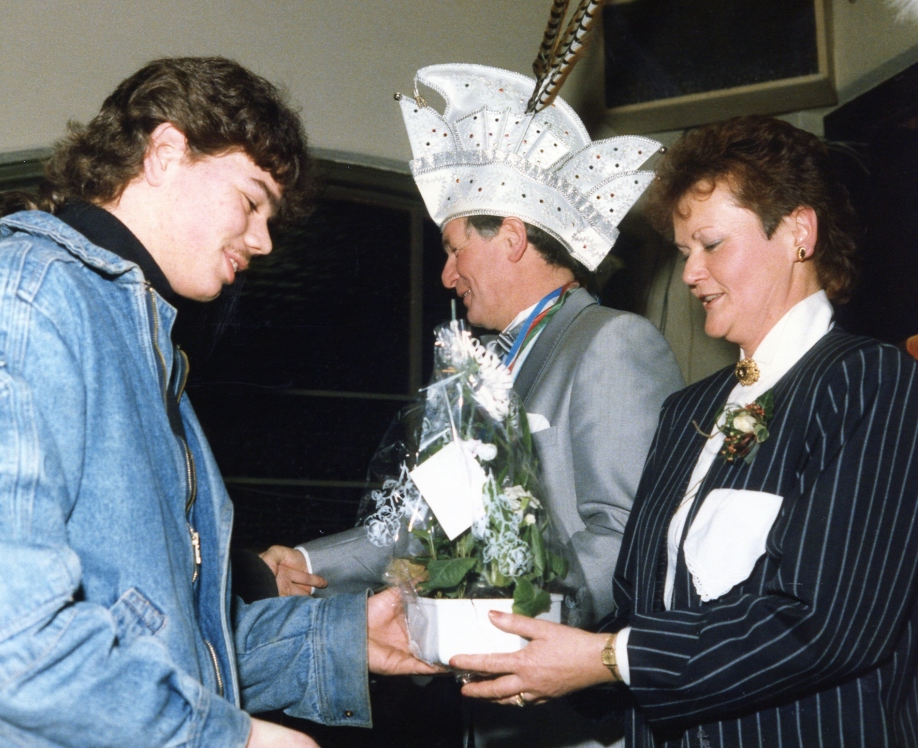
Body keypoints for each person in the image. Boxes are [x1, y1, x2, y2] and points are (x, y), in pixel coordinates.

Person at [0, 57, 436, 748]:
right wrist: (224, 740)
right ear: (166, 152)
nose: (264, 241)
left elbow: (169, 640)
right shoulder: (15, 310)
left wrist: (338, 639)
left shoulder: (145, 358)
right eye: (252, 201)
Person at [451, 115, 918, 747]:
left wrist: (604, 659)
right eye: (683, 252)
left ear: (799, 233)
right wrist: (537, 651)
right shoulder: (687, 411)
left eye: (712, 244)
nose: (692, 272)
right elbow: (644, 611)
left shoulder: (870, 381)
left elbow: (825, 624)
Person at [262, 63, 683, 747]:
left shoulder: (611, 342)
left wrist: (509, 617)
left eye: (456, 249)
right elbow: (421, 528)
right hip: (487, 715)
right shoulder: (475, 369)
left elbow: (627, 533)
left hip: (578, 722)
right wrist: (308, 567)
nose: (446, 274)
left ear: (511, 238)